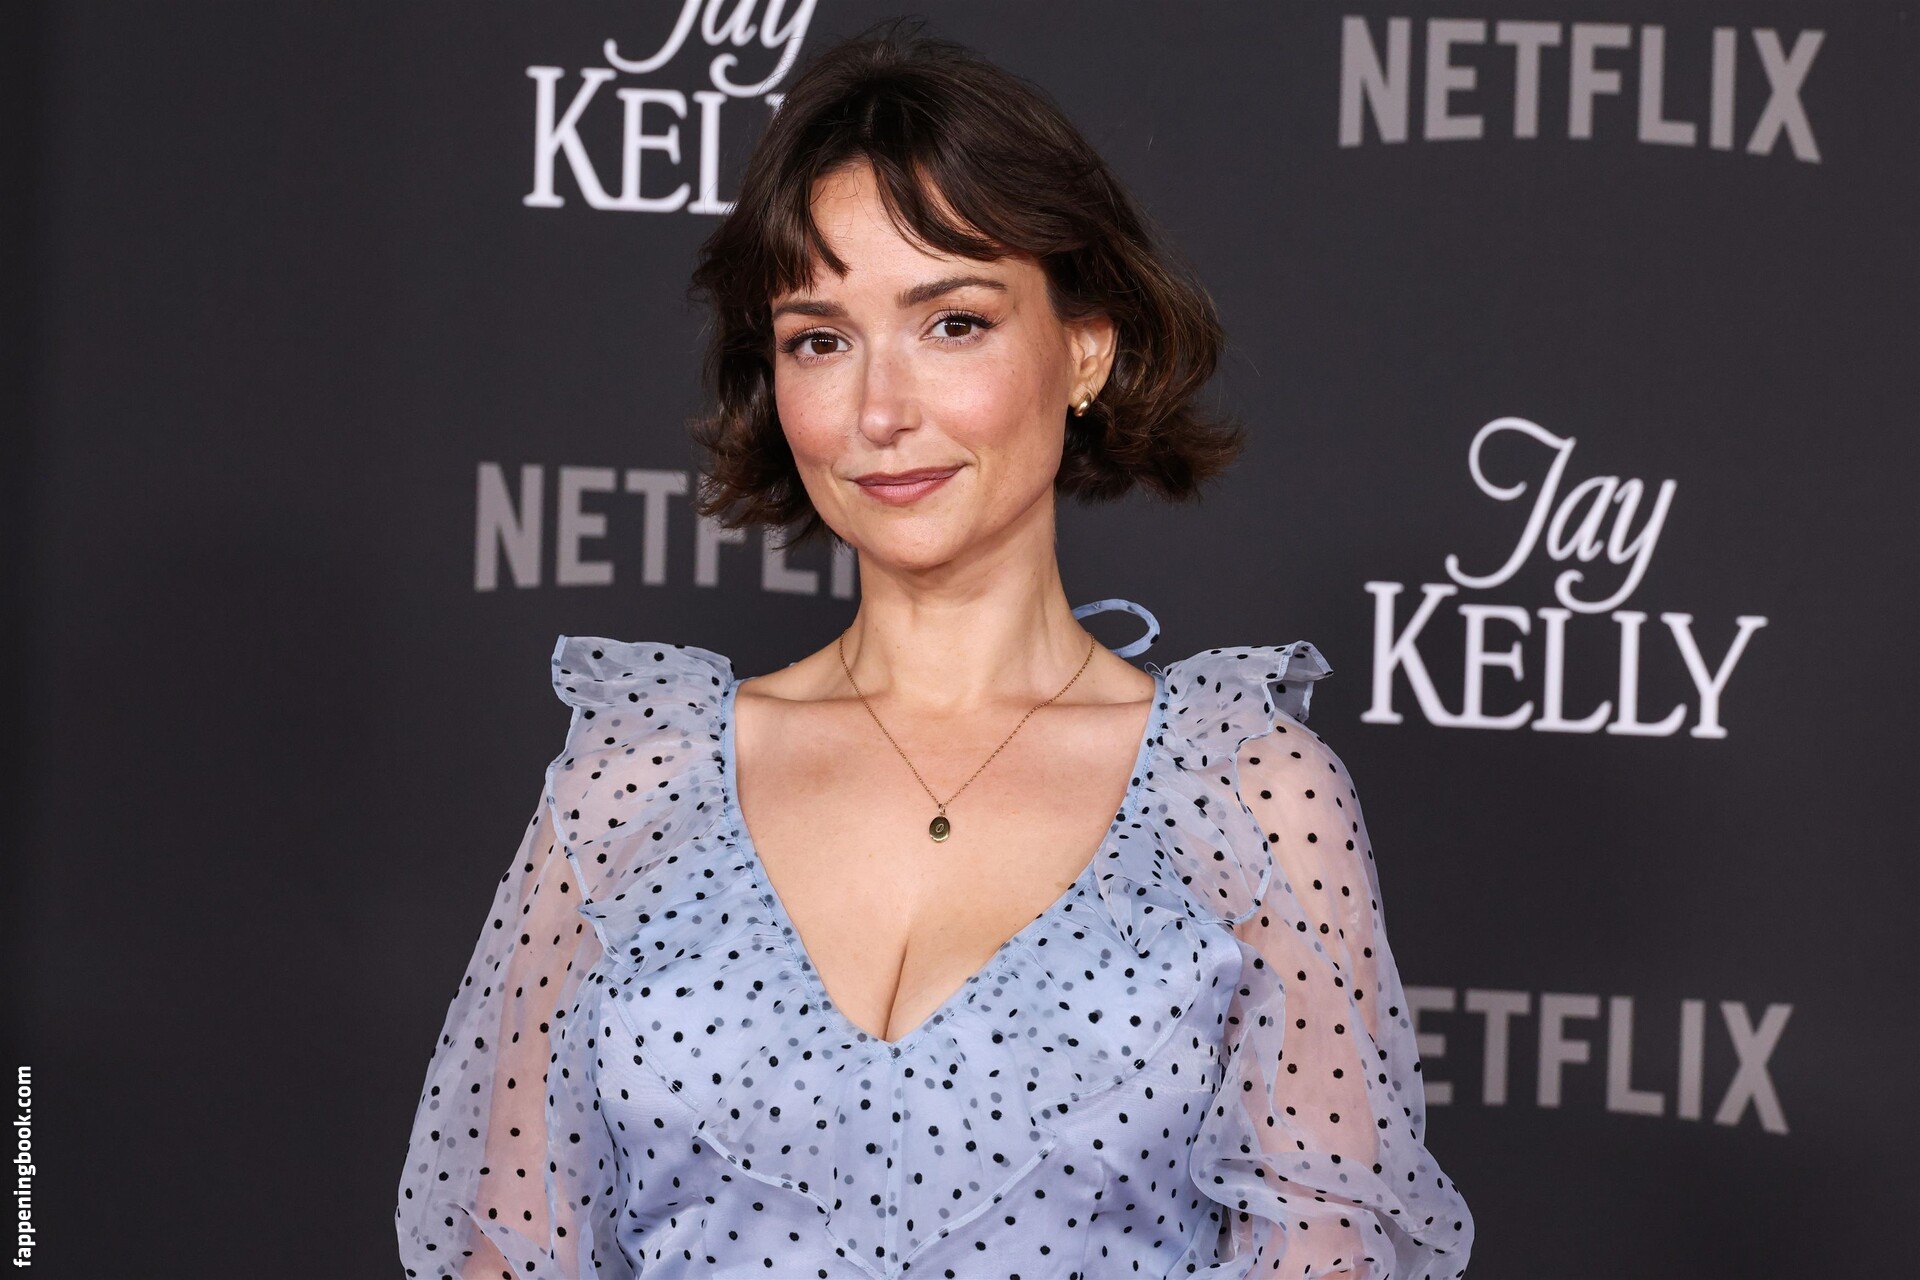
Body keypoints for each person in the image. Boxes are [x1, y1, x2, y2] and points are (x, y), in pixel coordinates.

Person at [396, 22, 1474, 1280]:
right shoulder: (630, 783)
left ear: (1085, 347)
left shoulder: (1249, 798)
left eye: (952, 323)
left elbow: (1324, 1257)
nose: (880, 411)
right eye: (820, 338)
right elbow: (510, 1253)